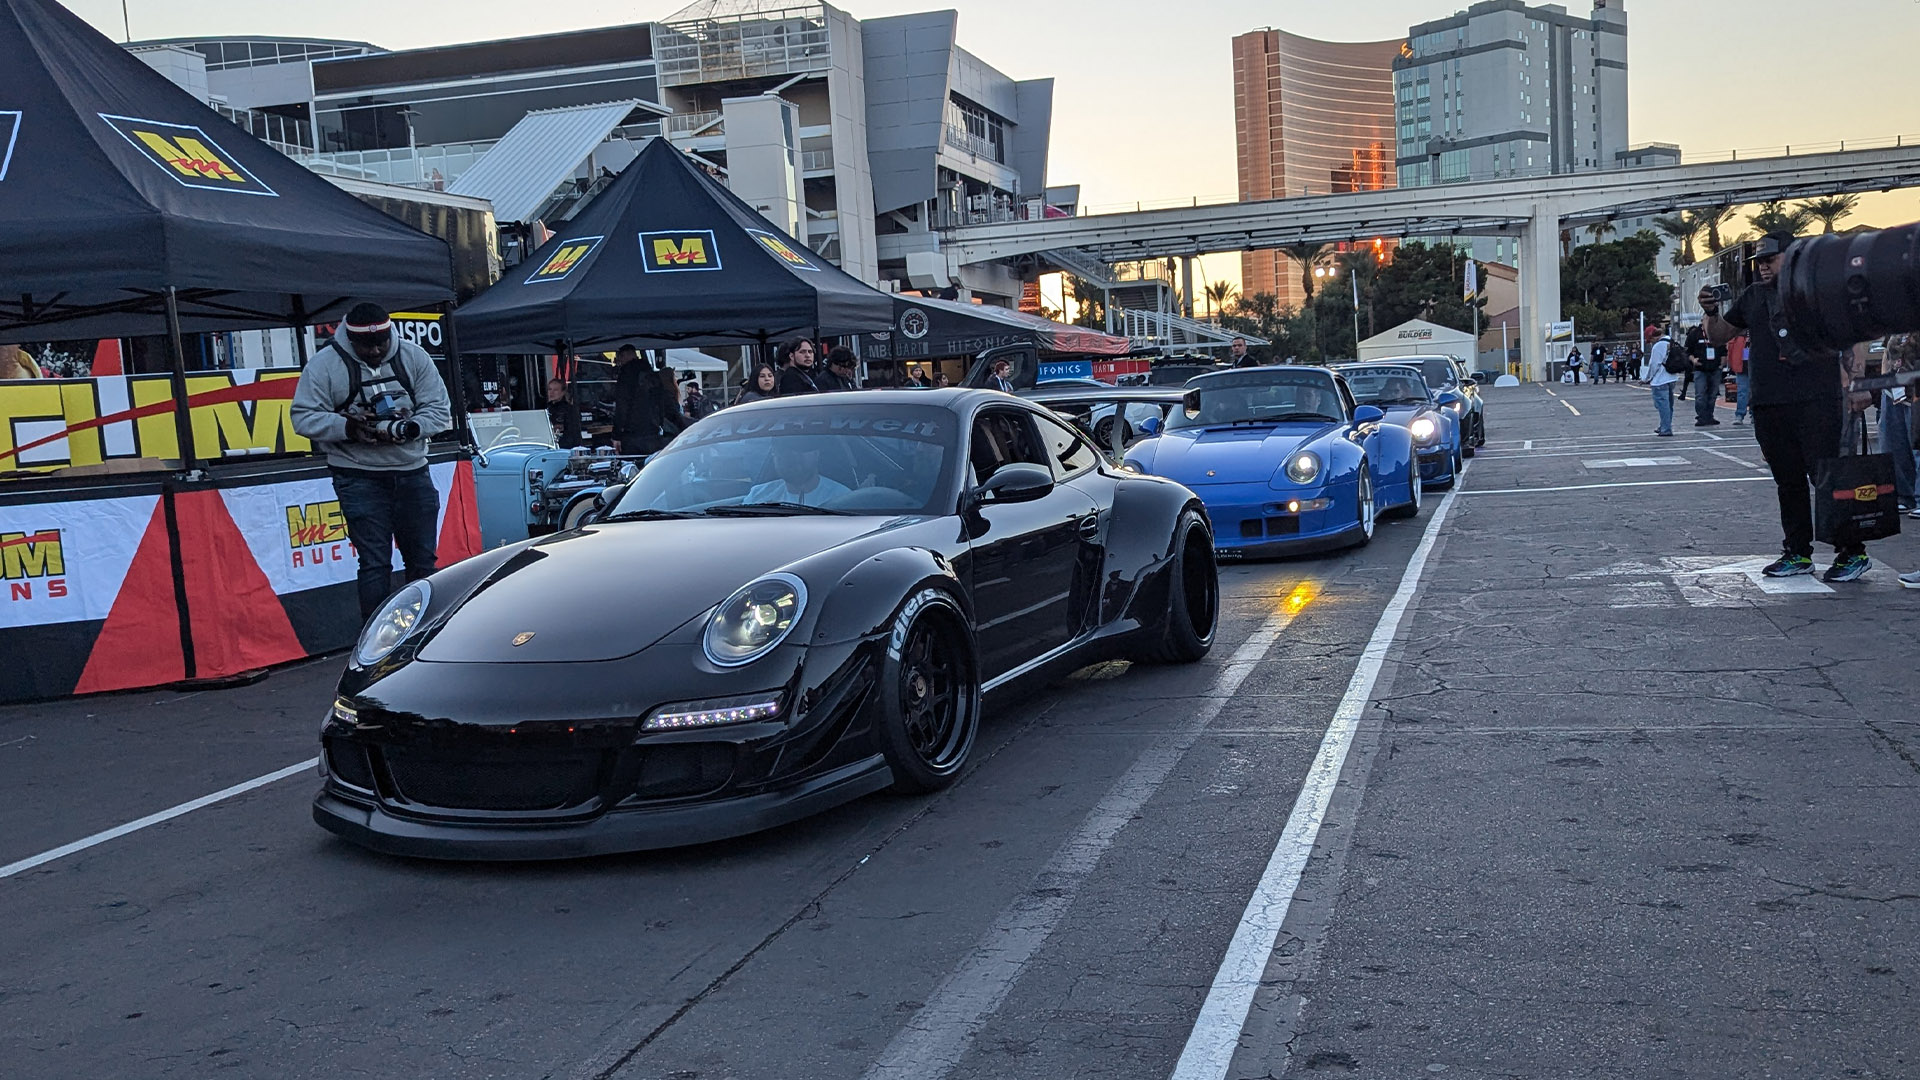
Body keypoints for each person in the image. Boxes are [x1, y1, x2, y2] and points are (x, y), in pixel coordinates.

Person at [1702, 232, 1869, 583]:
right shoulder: (1752, 296)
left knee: (1825, 478)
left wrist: (1854, 383)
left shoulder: (1816, 290)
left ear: (1791, 257)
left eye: (1770, 259)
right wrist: (1710, 311)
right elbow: (1719, 335)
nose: (1763, 266)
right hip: (1769, 402)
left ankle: (1852, 552)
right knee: (1787, 482)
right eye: (1759, 261)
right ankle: (1797, 552)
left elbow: (1855, 332)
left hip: (1816, 399)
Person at [290, 302, 452, 620]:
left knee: (423, 563)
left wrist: (411, 428)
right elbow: (302, 417)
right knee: (375, 563)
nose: (376, 350)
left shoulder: (413, 356)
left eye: (382, 341)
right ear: (351, 339)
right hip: (357, 476)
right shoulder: (325, 365)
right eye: (366, 345)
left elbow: (440, 410)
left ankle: (426, 635)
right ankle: (375, 646)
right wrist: (349, 427)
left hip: (411, 472)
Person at [612, 344, 687, 455]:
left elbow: (622, 406)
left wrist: (616, 435)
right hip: (653, 430)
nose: (618, 361)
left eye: (619, 357)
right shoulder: (651, 374)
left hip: (633, 433)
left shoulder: (626, 375)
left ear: (623, 356)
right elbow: (663, 402)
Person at [743, 440, 851, 507]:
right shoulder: (757, 497)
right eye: (783, 452)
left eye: (800, 450)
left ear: (816, 454)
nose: (792, 458)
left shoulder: (842, 498)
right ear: (774, 456)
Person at [1647, 325, 1683, 436]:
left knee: (1662, 406)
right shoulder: (1671, 342)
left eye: (1650, 340)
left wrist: (1647, 378)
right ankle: (1664, 425)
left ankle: (1665, 428)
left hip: (1659, 380)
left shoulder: (1658, 346)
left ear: (1653, 337)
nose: (1651, 342)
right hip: (1671, 377)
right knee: (1668, 405)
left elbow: (1654, 365)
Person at [1686, 323, 1723, 426]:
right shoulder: (1695, 334)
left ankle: (1709, 416)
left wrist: (1721, 365)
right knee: (1700, 394)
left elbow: (1723, 350)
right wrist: (1693, 360)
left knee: (1712, 394)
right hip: (1700, 368)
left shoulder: (1717, 333)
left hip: (1715, 368)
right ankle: (1701, 416)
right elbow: (1688, 351)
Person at [544, 378, 583, 448]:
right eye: (550, 389)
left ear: (563, 392)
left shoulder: (570, 410)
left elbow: (573, 432)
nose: (551, 393)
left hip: (565, 446)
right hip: (547, 444)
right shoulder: (545, 408)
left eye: (555, 390)